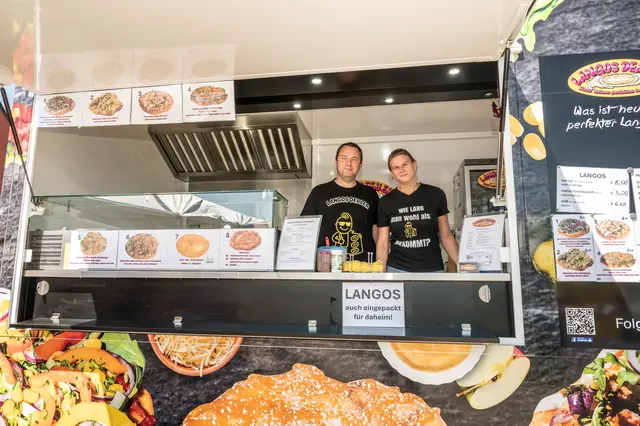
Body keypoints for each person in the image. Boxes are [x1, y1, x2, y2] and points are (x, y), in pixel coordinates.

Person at [376, 148, 459, 272]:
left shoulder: (435, 194)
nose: (402, 170)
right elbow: (382, 243)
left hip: (432, 269)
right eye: (396, 167)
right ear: (392, 173)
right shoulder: (385, 201)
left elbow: (446, 237)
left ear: (414, 165)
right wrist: (380, 276)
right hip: (397, 270)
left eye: (405, 164)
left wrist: (464, 266)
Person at [301, 142, 378, 261]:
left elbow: (377, 233)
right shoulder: (319, 192)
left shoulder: (371, 194)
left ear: (360, 164)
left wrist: (380, 264)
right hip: (326, 266)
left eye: (354, 159)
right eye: (344, 158)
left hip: (363, 267)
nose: (349, 164)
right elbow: (304, 230)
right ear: (336, 162)